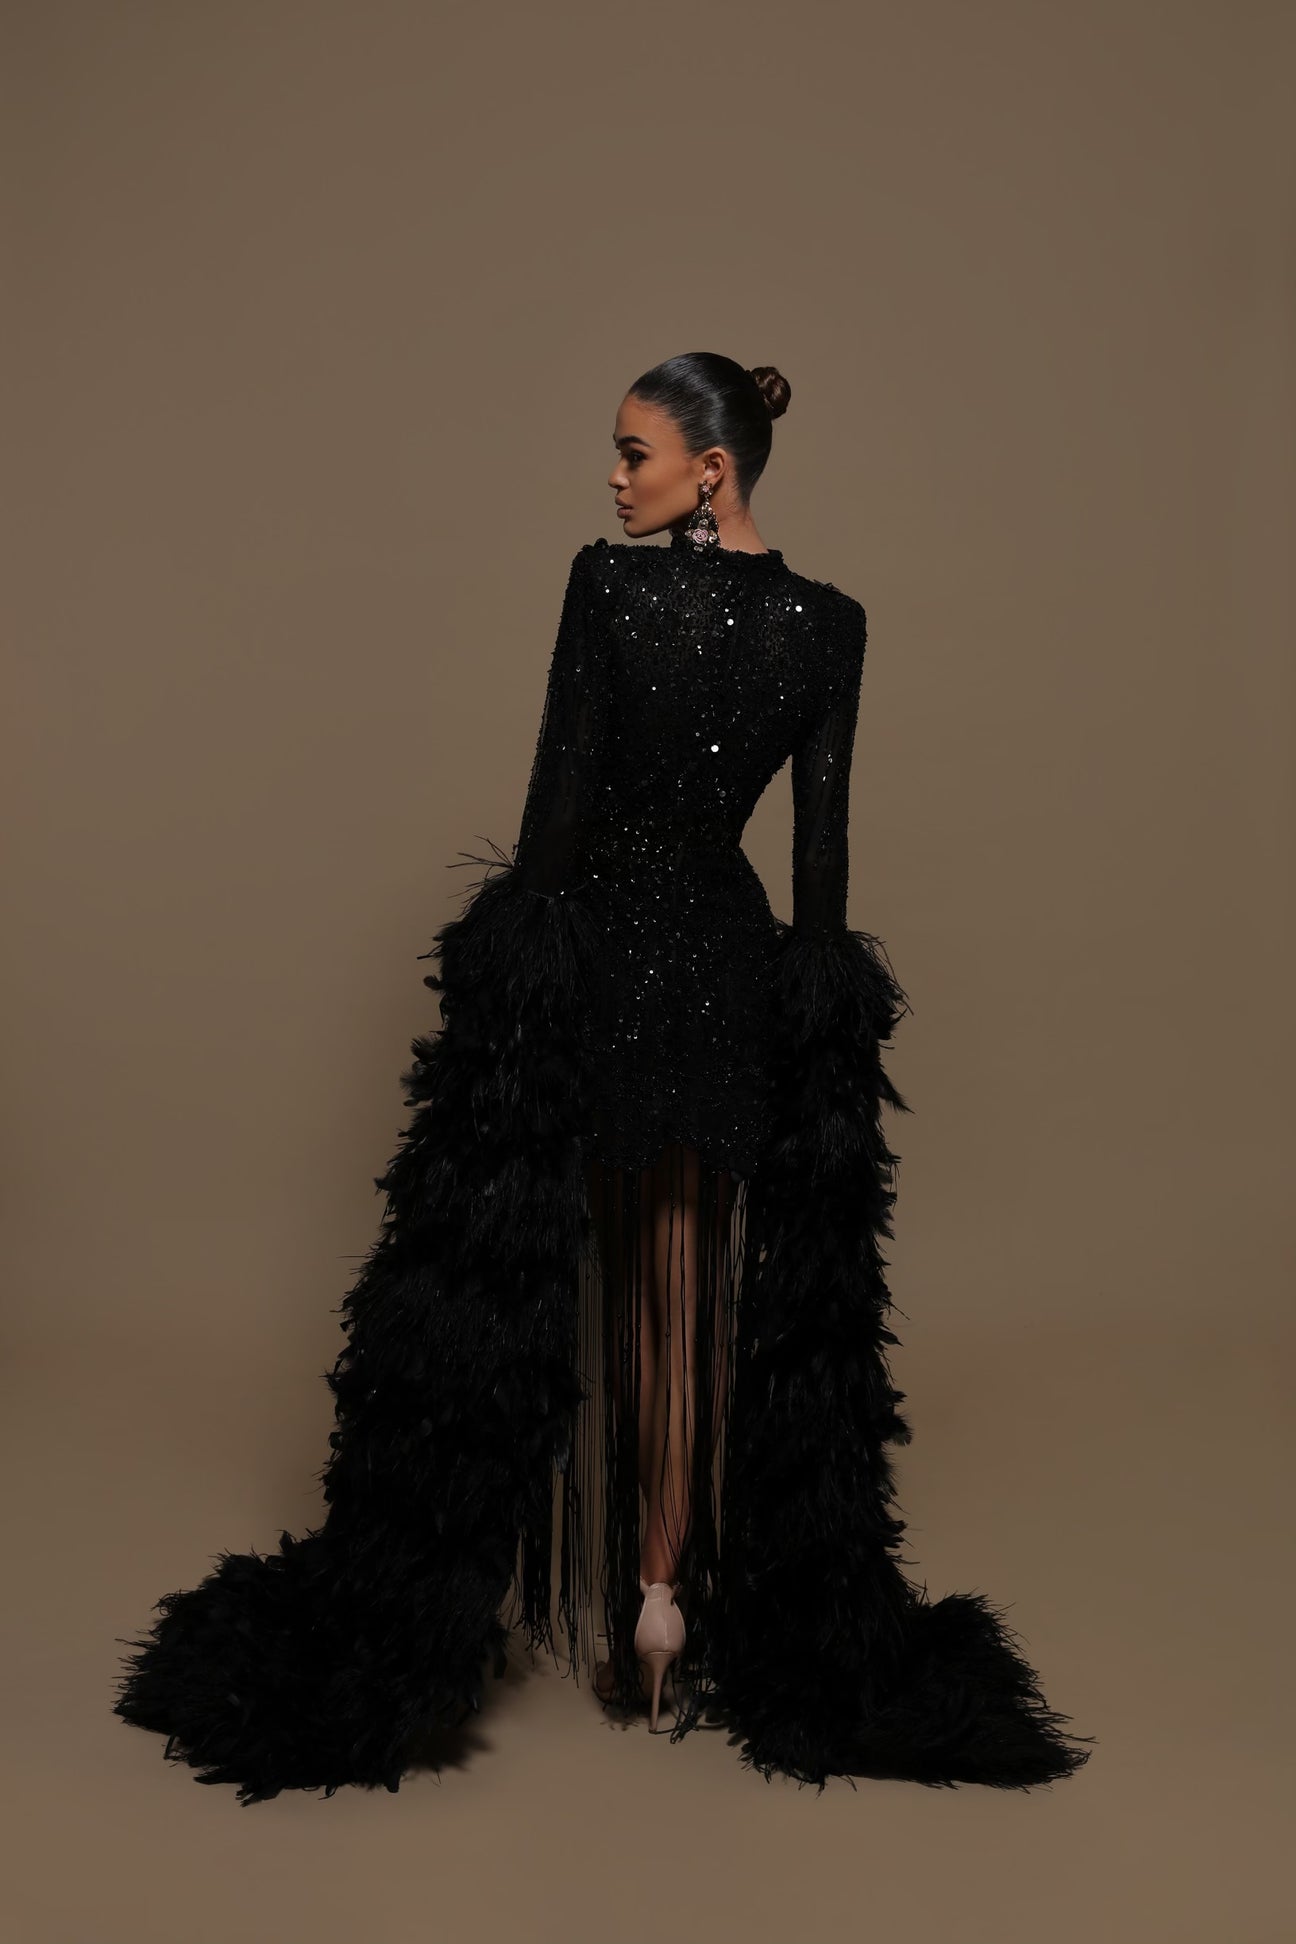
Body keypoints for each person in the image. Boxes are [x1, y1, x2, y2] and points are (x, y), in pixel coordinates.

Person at [114, 351, 1093, 1804]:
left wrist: (520, 967)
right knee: (682, 1289)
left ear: (712, 468)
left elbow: (557, 804)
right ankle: (661, 1600)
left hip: (605, 957)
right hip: (729, 969)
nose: (614, 477)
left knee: (535, 1263)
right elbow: (820, 862)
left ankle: (497, 1578)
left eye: (635, 452)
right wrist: (816, 1021)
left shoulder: (611, 589)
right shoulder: (830, 628)